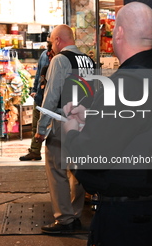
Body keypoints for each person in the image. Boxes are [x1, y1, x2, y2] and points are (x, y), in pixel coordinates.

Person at [63, 2, 152, 245]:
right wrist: (95, 116)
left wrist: (71, 131)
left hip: (125, 216)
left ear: (119, 33)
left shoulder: (126, 84)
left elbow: (92, 154)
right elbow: (140, 128)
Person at [35, 24, 96, 234]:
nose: (52, 46)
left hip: (62, 120)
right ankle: (76, 214)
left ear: (59, 40)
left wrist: (41, 127)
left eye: (52, 41)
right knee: (76, 170)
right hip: (84, 120)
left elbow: (51, 96)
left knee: (56, 169)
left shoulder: (60, 60)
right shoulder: (89, 60)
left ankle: (65, 219)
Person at [19, 38, 54, 161]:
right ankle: (35, 151)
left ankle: (54, 154)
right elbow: (39, 74)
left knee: (52, 127)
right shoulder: (44, 55)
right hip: (40, 96)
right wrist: (34, 90)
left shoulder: (60, 58)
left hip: (53, 98)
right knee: (36, 125)